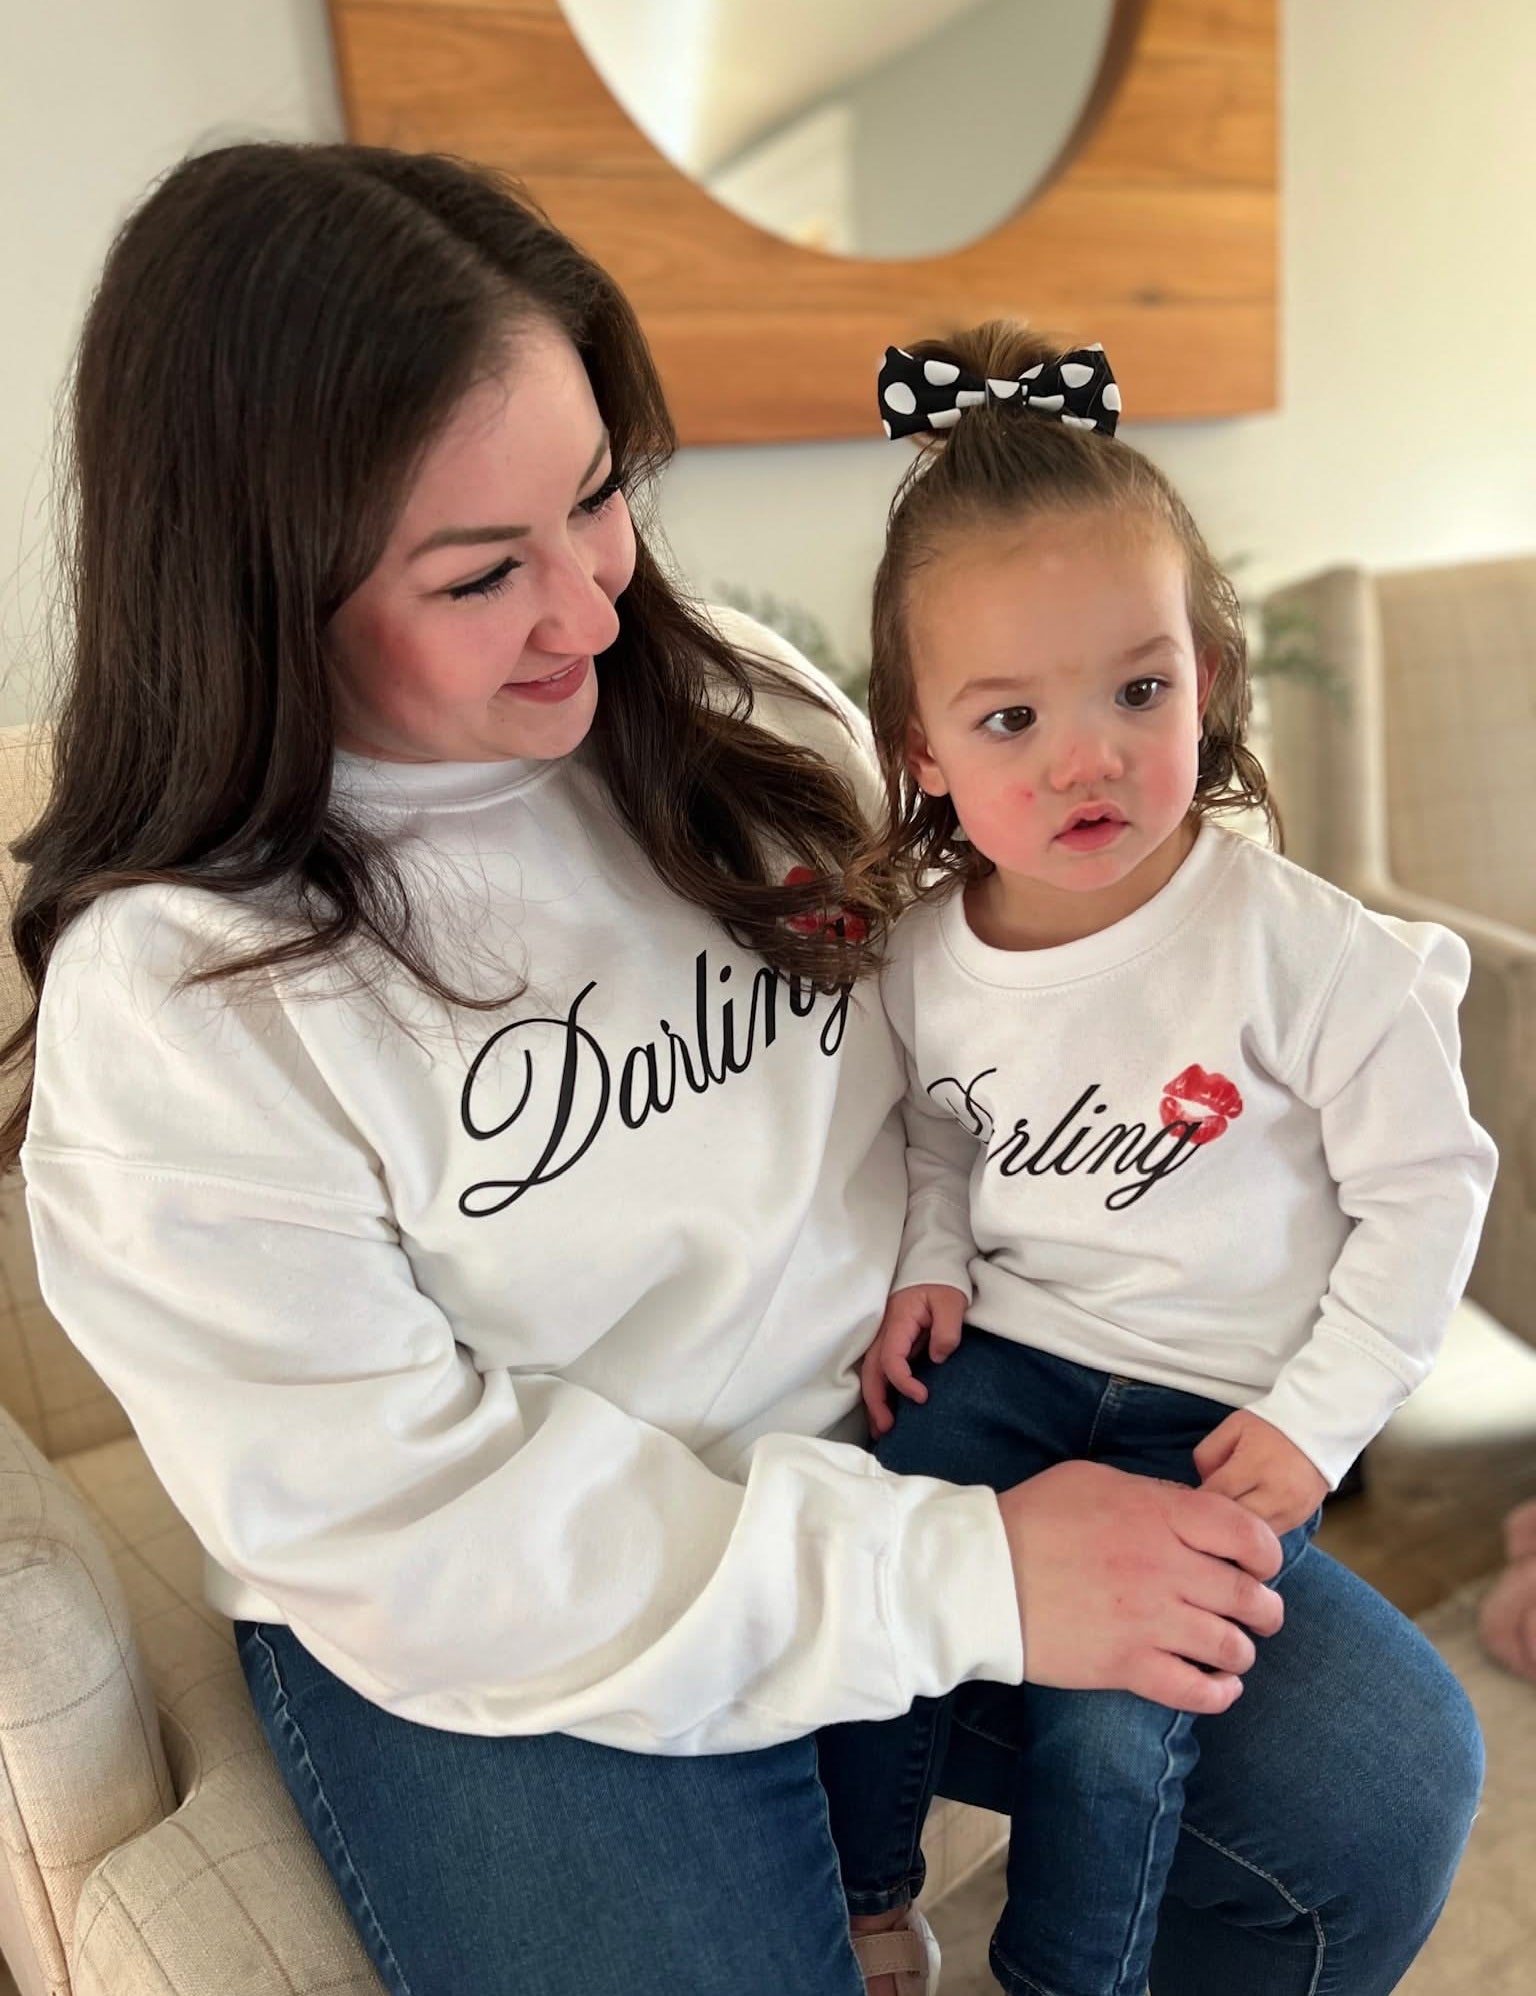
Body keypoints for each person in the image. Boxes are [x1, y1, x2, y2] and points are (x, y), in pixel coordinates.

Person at [3, 144, 1481, 1996]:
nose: (597, 609)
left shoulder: (750, 724)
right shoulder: (192, 1001)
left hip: (945, 1426)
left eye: (601, 500)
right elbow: (403, 1525)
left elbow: (976, 1062)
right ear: (256, 588)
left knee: (1383, 1783)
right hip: (531, 1584)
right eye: (483, 574)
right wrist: (964, 1581)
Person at [816, 326, 1497, 1996]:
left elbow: (1430, 1192)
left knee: (1123, 1738)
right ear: (922, 748)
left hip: (1212, 1417)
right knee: (865, 1553)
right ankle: (866, 1897)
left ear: (1209, 674)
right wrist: (928, 1263)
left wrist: (1319, 1418)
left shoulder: (1311, 958)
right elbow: (929, 1131)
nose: (1087, 757)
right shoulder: (921, 954)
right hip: (1012, 1362)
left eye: (1141, 689)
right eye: (1010, 715)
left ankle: (1070, 1980)